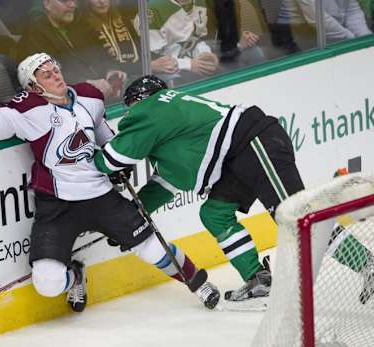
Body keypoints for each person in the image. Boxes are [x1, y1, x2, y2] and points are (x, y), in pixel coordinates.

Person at [0, 52, 221, 312]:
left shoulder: (89, 98)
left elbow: (105, 136)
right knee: (47, 282)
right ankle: (75, 277)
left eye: (56, 69)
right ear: (33, 86)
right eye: (46, 74)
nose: (55, 75)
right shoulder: (30, 108)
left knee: (151, 248)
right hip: (57, 204)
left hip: (101, 196)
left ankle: (199, 284)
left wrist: (116, 162)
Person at [93, 75, 374, 303]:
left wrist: (84, 158)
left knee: (301, 219)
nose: (130, 114)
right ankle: (257, 278)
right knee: (215, 212)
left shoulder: (150, 110)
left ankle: (367, 265)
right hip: (240, 155)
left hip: (254, 144)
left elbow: (112, 159)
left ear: (139, 101)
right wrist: (132, 216)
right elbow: (168, 181)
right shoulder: (172, 117)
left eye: (131, 108)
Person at [16, 0, 113, 98]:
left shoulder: (83, 26)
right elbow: (43, 79)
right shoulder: (33, 36)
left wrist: (110, 71)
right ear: (47, 4)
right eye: (65, 1)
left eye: (74, 1)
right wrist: (85, 84)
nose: (72, 5)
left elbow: (101, 55)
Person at [278, 0, 372, 46]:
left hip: (335, 34)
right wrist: (352, 41)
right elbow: (317, 19)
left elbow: (352, 12)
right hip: (296, 37)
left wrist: (366, 39)